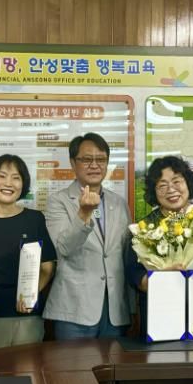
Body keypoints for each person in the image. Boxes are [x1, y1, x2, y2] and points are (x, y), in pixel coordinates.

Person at [125, 155, 193, 338]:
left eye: (177, 181)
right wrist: (162, 278)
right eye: (162, 185)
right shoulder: (144, 227)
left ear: (187, 184)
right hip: (160, 314)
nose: (171, 189)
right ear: (154, 192)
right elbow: (134, 275)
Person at [43, 132, 132, 339]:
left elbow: (125, 253)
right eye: (86, 159)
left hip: (115, 310)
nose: (94, 165)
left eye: (101, 159)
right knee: (73, 362)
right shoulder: (58, 201)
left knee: (114, 361)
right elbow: (64, 248)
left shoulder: (119, 203)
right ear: (73, 163)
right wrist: (83, 213)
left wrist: (131, 306)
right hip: (74, 309)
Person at [0, 154, 56, 352]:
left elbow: (47, 266)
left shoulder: (34, 220)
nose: (8, 183)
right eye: (2, 176)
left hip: (27, 316)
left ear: (23, 184)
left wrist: (30, 295)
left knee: (28, 369)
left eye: (16, 178)